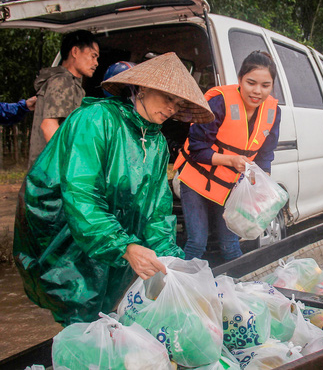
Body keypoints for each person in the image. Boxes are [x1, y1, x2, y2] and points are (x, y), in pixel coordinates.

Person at [13, 52, 215, 325]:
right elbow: (81, 195)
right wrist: (124, 245)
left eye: (178, 104)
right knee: (79, 312)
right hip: (73, 239)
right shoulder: (96, 120)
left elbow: (156, 209)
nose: (171, 109)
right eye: (168, 97)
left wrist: (173, 260)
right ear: (142, 87)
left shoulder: (155, 143)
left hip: (116, 245)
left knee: (110, 314)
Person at [174, 51, 281, 261]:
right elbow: (196, 148)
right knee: (197, 242)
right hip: (197, 181)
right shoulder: (220, 102)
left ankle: (237, 288)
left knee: (230, 244)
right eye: (251, 83)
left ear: (271, 86)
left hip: (230, 185)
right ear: (240, 79)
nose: (257, 91)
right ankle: (180, 289)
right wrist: (231, 160)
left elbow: (266, 153)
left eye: (265, 85)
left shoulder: (273, 111)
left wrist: (261, 183)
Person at [28, 30, 100, 168]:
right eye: (93, 56)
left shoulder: (70, 83)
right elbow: (48, 126)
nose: (96, 63)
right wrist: (70, 166)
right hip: (50, 171)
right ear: (75, 52)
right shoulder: (62, 81)